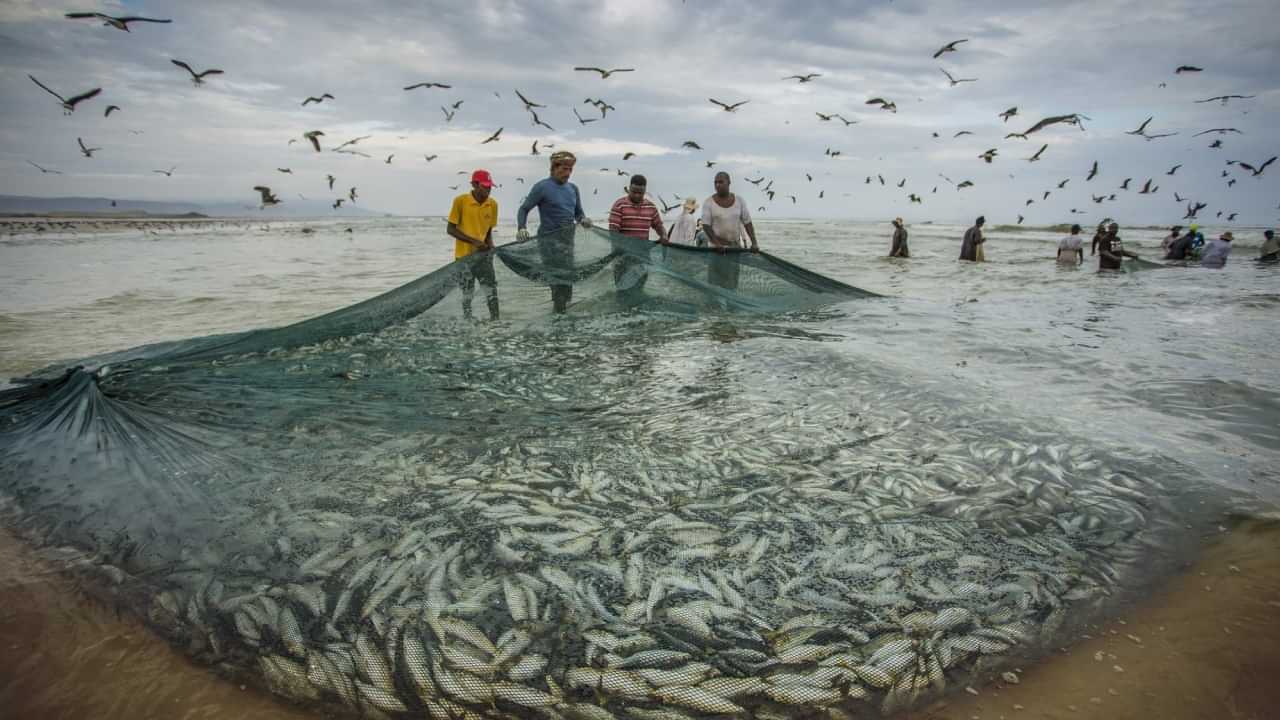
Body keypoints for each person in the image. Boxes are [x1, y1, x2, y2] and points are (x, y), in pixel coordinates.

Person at [516, 151, 592, 313]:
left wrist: (584, 220)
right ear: (554, 168)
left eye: (570, 169)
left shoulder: (573, 189)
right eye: (564, 169)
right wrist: (521, 228)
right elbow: (524, 209)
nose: (568, 173)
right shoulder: (542, 187)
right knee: (557, 283)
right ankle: (558, 321)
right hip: (548, 244)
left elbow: (578, 213)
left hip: (567, 243)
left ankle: (561, 318)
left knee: (567, 284)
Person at [446, 169, 499, 320]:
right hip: (463, 258)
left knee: (492, 291)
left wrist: (490, 243)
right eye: (485, 186)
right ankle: (468, 320)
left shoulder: (493, 204)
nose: (488, 190)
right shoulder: (461, 201)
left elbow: (488, 229)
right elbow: (450, 229)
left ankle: (496, 321)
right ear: (475, 185)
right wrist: (474, 241)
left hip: (483, 257)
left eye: (490, 187)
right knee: (467, 293)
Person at [607, 175, 668, 296]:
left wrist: (664, 235)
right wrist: (621, 247)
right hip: (622, 259)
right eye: (634, 192)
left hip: (642, 258)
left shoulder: (650, 207)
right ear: (629, 188)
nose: (637, 195)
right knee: (622, 290)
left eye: (640, 193)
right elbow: (613, 231)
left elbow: (658, 225)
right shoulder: (619, 205)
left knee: (639, 290)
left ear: (645, 191)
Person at [701, 172, 759, 290]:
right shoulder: (709, 202)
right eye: (715, 182)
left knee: (731, 285)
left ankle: (731, 308)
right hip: (715, 251)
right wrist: (717, 244)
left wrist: (754, 242)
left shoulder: (739, 201)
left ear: (729, 182)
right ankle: (714, 308)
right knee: (714, 285)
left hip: (734, 249)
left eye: (721, 182)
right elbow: (706, 226)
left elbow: (747, 222)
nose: (718, 185)